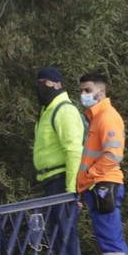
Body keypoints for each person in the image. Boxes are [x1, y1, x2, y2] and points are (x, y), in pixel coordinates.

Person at [76, 72, 128, 255]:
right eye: (82, 90)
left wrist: (88, 177)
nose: (83, 94)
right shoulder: (96, 118)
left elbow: (113, 155)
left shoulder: (107, 117)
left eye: (87, 90)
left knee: (112, 244)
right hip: (98, 187)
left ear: (101, 91)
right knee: (110, 243)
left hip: (103, 186)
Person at [33, 66, 85, 196]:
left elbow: (74, 151)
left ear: (57, 84)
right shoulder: (47, 111)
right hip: (49, 181)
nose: (40, 87)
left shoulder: (64, 110)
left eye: (44, 82)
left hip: (61, 181)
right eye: (38, 83)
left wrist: (71, 189)